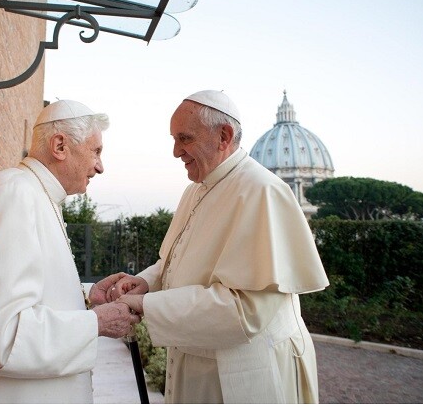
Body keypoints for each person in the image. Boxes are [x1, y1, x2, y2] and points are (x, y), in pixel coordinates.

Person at [110, 90, 330, 404]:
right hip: (196, 362)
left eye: (184, 138)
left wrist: (147, 305)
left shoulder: (262, 191)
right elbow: (172, 261)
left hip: (243, 374)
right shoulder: (195, 190)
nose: (175, 151)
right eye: (174, 139)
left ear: (223, 136)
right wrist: (145, 282)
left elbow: (246, 310)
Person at [0, 100, 140, 403]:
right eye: (96, 151)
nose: (100, 166)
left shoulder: (33, 194)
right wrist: (96, 322)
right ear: (59, 145)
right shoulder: (16, 195)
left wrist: (85, 306)